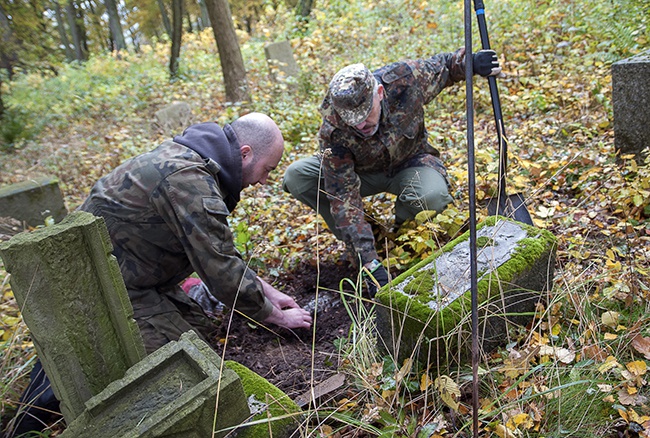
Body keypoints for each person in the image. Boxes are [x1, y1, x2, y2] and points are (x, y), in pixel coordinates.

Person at [8, 112, 312, 437]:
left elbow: (215, 249)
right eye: (267, 169)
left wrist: (268, 291)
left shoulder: (194, 159)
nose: (265, 180)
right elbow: (221, 269)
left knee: (197, 329)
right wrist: (273, 316)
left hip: (124, 276)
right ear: (245, 153)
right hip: (94, 293)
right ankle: (27, 425)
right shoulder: (189, 180)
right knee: (181, 365)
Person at [282, 48, 504, 296]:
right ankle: (372, 237)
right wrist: (368, 261)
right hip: (361, 173)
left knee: (432, 197)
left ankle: (403, 233)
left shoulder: (404, 80)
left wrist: (472, 62)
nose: (359, 125)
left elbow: (444, 67)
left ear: (379, 93)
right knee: (297, 176)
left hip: (411, 162)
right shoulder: (333, 129)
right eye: (351, 120)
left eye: (365, 115)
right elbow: (342, 195)